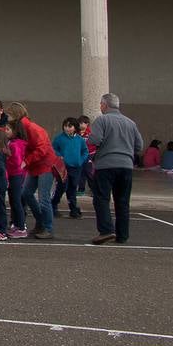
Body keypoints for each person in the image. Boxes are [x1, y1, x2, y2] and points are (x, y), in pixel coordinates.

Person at [88, 92, 143, 245]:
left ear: (104, 105)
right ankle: (122, 235)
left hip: (106, 165)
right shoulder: (130, 123)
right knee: (123, 201)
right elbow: (139, 145)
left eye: (101, 104)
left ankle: (106, 230)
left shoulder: (102, 120)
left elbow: (95, 139)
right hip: (126, 165)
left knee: (101, 198)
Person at [8, 102, 56, 239]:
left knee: (43, 198)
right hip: (35, 165)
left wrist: (26, 161)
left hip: (44, 165)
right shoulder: (24, 127)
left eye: (9, 115)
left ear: (15, 115)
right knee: (26, 193)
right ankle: (41, 222)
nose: (8, 117)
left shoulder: (31, 128)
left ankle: (47, 227)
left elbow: (42, 148)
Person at [50, 117, 88, 218]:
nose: (67, 128)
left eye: (70, 126)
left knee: (72, 188)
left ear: (75, 127)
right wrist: (59, 156)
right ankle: (53, 205)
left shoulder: (80, 140)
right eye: (65, 126)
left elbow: (85, 151)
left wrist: (81, 160)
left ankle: (73, 208)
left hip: (76, 167)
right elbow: (53, 149)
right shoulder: (59, 138)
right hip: (63, 167)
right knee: (62, 186)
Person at [5, 122, 29, 239]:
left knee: (16, 201)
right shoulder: (14, 143)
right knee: (14, 200)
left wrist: (7, 155)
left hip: (16, 174)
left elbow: (16, 161)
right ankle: (16, 223)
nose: (6, 131)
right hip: (14, 174)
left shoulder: (15, 144)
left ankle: (21, 227)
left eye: (8, 129)